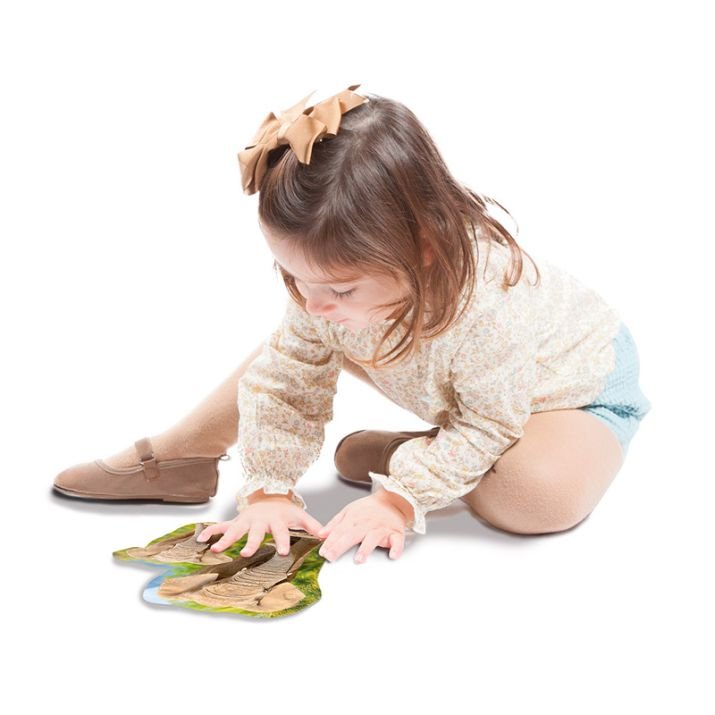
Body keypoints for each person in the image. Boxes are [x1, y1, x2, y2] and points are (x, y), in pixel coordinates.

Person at [53, 84, 652, 565]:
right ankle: (182, 454)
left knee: (537, 501)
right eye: (293, 277)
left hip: (564, 392)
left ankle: (417, 457)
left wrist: (398, 499)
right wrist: (268, 490)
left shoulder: (489, 306)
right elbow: (286, 383)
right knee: (294, 350)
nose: (312, 301)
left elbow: (490, 419)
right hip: (441, 374)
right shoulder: (331, 290)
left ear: (424, 249)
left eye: (338, 287)